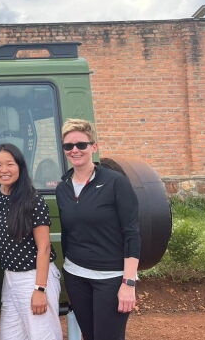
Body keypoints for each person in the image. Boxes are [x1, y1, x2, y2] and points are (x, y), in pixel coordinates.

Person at [56, 118, 140, 340]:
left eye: (81, 144)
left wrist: (129, 283)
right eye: (68, 146)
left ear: (93, 147)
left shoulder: (115, 182)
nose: (75, 150)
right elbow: (68, 234)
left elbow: (131, 233)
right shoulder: (63, 188)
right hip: (76, 276)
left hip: (111, 279)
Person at [0, 143, 62, 340]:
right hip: (10, 278)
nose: (4, 170)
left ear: (20, 167)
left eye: (10, 164)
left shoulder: (33, 200)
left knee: (41, 335)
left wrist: (40, 289)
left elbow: (44, 247)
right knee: (9, 335)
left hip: (33, 276)